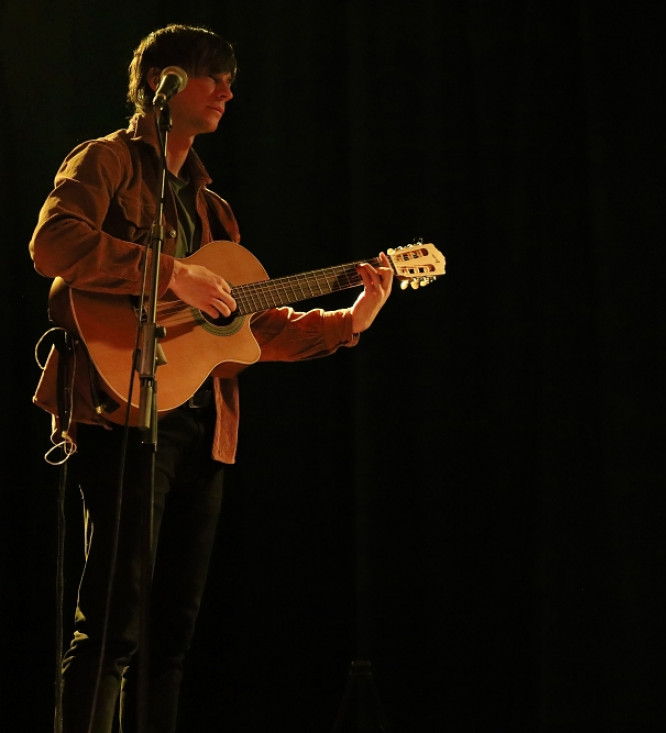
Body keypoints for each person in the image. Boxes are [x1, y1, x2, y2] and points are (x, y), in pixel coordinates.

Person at [29, 24, 394, 733]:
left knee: (173, 633)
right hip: (122, 410)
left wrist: (350, 318)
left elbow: (248, 331)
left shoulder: (212, 208)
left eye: (231, 80)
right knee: (112, 623)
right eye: (213, 77)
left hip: (204, 426)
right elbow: (55, 243)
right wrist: (172, 273)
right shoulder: (108, 160)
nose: (227, 91)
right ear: (163, 83)